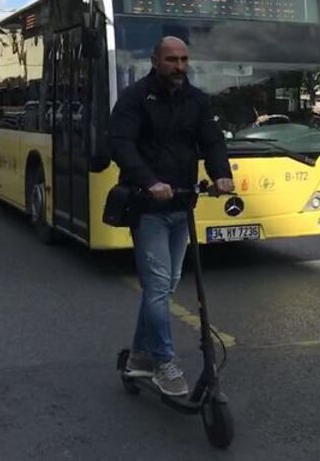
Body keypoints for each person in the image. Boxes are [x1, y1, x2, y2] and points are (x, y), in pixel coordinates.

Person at [108, 36, 235, 397]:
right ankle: (164, 361)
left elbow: (212, 140)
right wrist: (149, 181)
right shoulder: (135, 98)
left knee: (163, 286)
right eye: (171, 60)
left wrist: (221, 174)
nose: (179, 66)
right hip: (148, 207)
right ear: (155, 60)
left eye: (183, 59)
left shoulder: (197, 100)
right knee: (159, 285)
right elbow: (120, 144)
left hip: (182, 205)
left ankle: (138, 357)